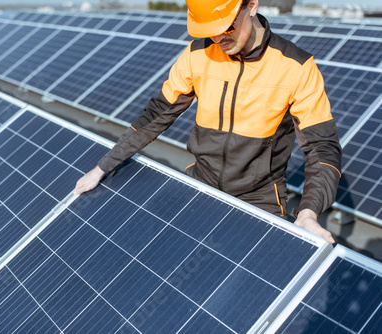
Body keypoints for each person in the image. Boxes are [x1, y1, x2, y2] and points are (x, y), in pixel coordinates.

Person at [75, 0, 342, 244]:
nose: (218, 38)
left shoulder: (296, 67)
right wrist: (103, 166)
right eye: (209, 30)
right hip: (200, 186)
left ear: (251, 6)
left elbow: (323, 149)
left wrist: (309, 212)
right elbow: (157, 115)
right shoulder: (197, 54)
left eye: (225, 27)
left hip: (259, 200)